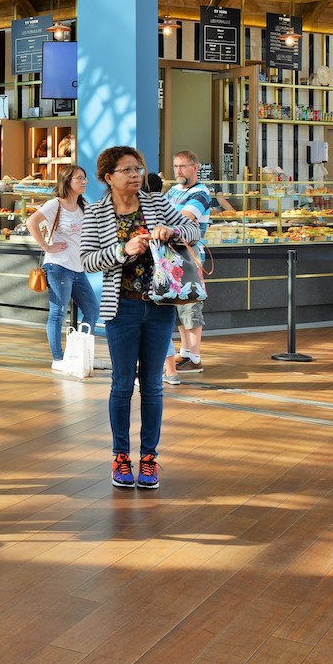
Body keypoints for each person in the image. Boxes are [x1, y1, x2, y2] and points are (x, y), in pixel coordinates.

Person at [81, 146, 200, 491]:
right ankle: (121, 456)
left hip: (160, 305)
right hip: (122, 308)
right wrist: (123, 250)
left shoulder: (157, 204)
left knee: (153, 385)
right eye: (127, 170)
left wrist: (172, 233)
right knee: (121, 385)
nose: (136, 175)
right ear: (109, 177)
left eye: (138, 168)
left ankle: (149, 458)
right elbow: (88, 260)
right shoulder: (96, 214)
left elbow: (192, 231)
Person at [26, 164, 99, 373]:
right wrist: (46, 246)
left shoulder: (83, 205)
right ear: (67, 182)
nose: (84, 182)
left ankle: (79, 355)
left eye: (85, 178)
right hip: (58, 266)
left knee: (92, 311)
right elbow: (31, 222)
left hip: (78, 268)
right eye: (79, 178)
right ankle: (58, 358)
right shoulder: (54, 205)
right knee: (57, 312)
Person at [164, 150, 215, 380]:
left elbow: (181, 219)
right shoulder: (174, 190)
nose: (178, 171)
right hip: (172, 258)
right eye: (175, 166)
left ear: (195, 167)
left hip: (190, 258)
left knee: (191, 306)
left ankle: (194, 358)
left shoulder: (202, 193)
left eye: (183, 166)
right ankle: (184, 353)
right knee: (179, 306)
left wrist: (164, 221)